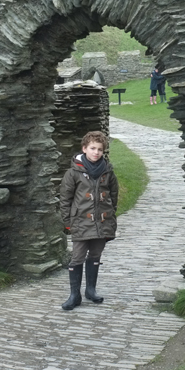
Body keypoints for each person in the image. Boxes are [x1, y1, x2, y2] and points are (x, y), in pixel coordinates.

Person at [59, 130, 119, 311]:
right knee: (77, 257)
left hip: (102, 223)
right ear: (84, 149)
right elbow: (65, 199)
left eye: (100, 149)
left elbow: (113, 195)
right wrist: (67, 222)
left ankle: (90, 290)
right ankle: (74, 295)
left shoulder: (108, 172)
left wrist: (109, 215)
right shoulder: (73, 173)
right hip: (80, 223)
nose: (96, 152)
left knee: (95, 255)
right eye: (93, 148)